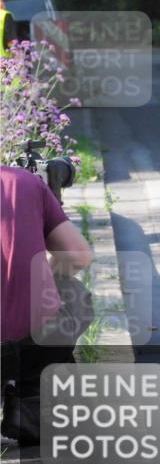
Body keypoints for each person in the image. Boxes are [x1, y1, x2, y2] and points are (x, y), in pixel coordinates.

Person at [1, 164, 92, 445]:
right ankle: (34, 398)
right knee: (71, 292)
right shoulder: (24, 182)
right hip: (34, 337)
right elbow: (77, 256)